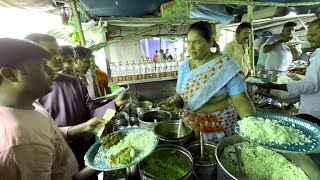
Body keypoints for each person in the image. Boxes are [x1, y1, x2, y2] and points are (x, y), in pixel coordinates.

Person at [0, 38, 105, 179]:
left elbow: (50, 136)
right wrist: (100, 163)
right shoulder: (20, 141)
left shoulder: (30, 105)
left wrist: (84, 127)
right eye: (42, 65)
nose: (52, 71)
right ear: (10, 74)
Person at [24, 33, 130, 170]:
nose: (59, 57)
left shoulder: (75, 83)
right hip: (57, 156)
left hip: (87, 147)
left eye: (59, 52)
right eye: (51, 53)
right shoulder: (31, 92)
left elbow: (92, 112)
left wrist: (116, 103)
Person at [159, 21, 255, 142]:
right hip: (191, 126)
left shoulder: (225, 66)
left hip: (220, 126)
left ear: (210, 42)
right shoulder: (184, 67)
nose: (191, 48)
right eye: (188, 42)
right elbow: (180, 95)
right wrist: (174, 101)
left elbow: (240, 99)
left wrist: (253, 128)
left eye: (196, 42)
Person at [252, 19, 320, 125]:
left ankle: (279, 107)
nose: (290, 32)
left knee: (278, 94)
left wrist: (293, 47)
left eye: (292, 30)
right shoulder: (274, 37)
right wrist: (281, 41)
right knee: (270, 94)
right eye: (288, 30)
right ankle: (268, 106)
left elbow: (298, 54)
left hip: (313, 111)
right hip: (272, 70)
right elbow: (265, 50)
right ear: (283, 30)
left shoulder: (295, 40)